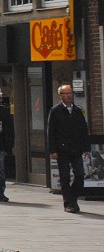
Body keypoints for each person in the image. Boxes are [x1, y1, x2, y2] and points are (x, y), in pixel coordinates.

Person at [47, 83, 90, 213]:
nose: (69, 95)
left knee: (80, 174)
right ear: (60, 95)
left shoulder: (77, 110)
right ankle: (68, 203)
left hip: (76, 148)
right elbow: (51, 131)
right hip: (62, 149)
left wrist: (86, 148)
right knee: (64, 177)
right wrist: (52, 150)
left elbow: (84, 130)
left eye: (70, 93)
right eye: (66, 93)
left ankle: (73, 197)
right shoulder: (55, 111)